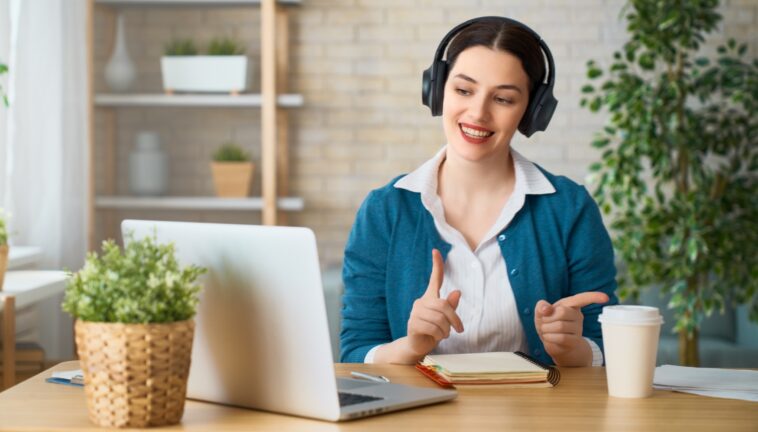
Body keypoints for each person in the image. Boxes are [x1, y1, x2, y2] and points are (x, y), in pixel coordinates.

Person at [340, 17, 618, 367]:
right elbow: (355, 352)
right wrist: (412, 346)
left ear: (532, 112)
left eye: (503, 99)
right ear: (437, 89)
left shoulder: (569, 209)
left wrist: (570, 349)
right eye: (463, 90)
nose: (478, 113)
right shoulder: (384, 210)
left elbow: (605, 345)